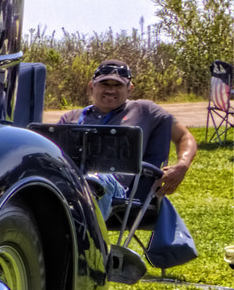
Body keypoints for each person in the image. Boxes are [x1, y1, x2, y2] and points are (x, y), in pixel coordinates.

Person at [59, 60, 197, 195]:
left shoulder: (145, 111)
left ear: (129, 89)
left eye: (118, 85)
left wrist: (182, 166)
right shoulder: (71, 117)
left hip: (115, 189)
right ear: (91, 87)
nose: (111, 90)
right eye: (104, 84)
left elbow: (184, 136)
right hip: (71, 181)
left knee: (95, 181)